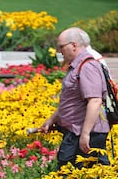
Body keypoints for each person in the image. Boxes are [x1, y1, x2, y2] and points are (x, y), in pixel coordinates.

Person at [38, 27, 111, 168]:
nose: (60, 52)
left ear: (74, 45)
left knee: (83, 177)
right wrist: (52, 119)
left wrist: (85, 135)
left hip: (88, 134)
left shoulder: (87, 66)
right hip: (75, 131)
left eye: (61, 47)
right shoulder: (77, 66)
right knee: (67, 172)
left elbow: (95, 101)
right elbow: (72, 100)